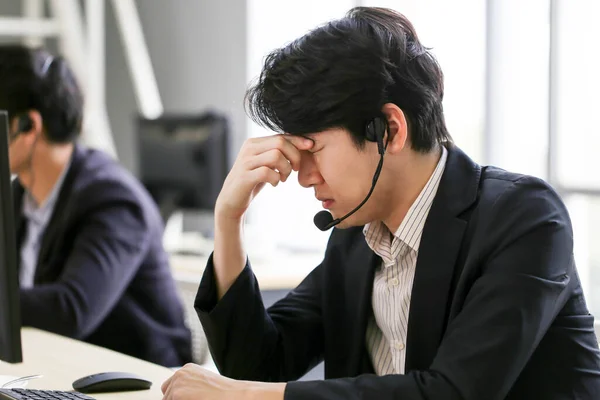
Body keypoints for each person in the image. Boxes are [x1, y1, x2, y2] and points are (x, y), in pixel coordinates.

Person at [162, 6, 600, 399]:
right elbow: (256, 366)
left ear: (388, 129)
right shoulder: (358, 237)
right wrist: (229, 217)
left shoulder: (526, 220)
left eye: (312, 149)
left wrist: (242, 397)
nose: (303, 175)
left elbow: (453, 392)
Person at [1, 44, 192, 368]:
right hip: (59, 366)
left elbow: (72, 309)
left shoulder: (114, 200)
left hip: (137, 380)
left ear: (28, 127)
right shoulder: (21, 195)